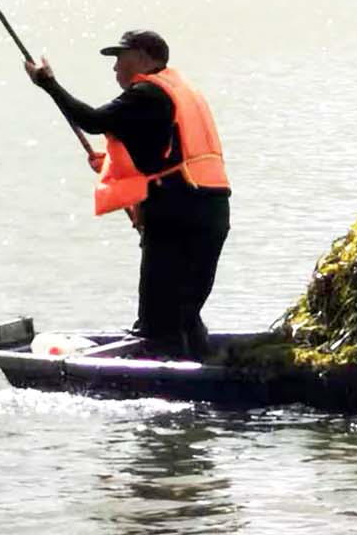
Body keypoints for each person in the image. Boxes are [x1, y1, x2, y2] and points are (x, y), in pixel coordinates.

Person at [24, 30, 231, 360]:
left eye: (120, 57)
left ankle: (160, 374)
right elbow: (162, 157)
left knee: (156, 318)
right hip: (212, 212)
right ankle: (204, 365)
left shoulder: (147, 93)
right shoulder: (181, 90)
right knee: (185, 310)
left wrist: (48, 84)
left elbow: (91, 120)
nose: (115, 67)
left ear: (144, 57)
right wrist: (107, 163)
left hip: (178, 215)